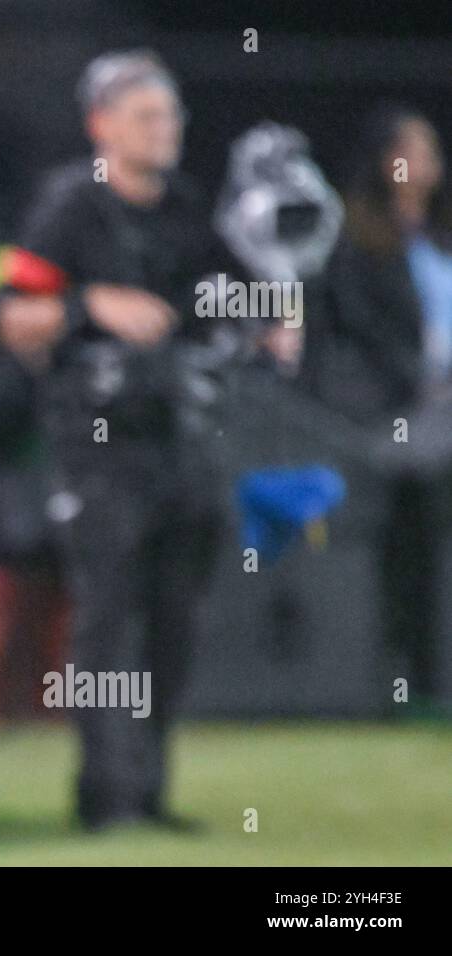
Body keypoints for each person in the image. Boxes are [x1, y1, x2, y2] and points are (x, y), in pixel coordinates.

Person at [0, 50, 229, 831]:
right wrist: (91, 303)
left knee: (174, 616)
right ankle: (103, 794)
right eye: (147, 116)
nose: (165, 131)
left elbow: (222, 302)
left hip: (178, 436)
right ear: (102, 125)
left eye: (171, 116)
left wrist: (268, 322)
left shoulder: (187, 208)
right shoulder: (68, 207)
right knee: (104, 616)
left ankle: (152, 788)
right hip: (97, 445)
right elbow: (12, 316)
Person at [301, 105, 452, 713]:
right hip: (402, 414)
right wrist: (420, 380)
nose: (426, 163)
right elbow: (356, 332)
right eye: (412, 150)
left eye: (430, 150)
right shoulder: (357, 236)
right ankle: (408, 678)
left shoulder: (438, 235)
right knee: (411, 542)